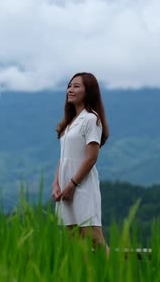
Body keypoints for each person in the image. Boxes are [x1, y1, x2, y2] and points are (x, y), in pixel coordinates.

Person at [52, 72, 110, 249]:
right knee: (73, 241)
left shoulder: (91, 119)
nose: (70, 89)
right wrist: (56, 184)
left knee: (94, 238)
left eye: (76, 86)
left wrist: (72, 184)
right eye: (69, 86)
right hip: (65, 188)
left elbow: (92, 157)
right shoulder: (69, 123)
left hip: (82, 187)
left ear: (88, 91)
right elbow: (63, 158)